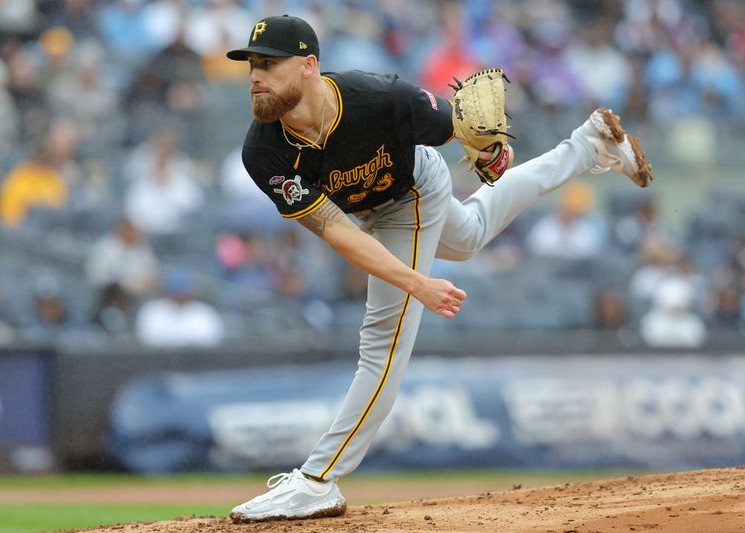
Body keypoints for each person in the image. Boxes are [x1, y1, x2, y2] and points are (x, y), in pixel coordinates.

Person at [225, 14, 652, 523]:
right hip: (366, 213)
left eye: (269, 63)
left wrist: (491, 151)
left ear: (309, 66)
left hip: (412, 188)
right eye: (252, 63)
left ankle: (319, 480)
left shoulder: (380, 97)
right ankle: (588, 145)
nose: (255, 74)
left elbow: (461, 126)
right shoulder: (263, 150)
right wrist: (416, 282)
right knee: (469, 235)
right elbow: (335, 229)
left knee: (382, 343)